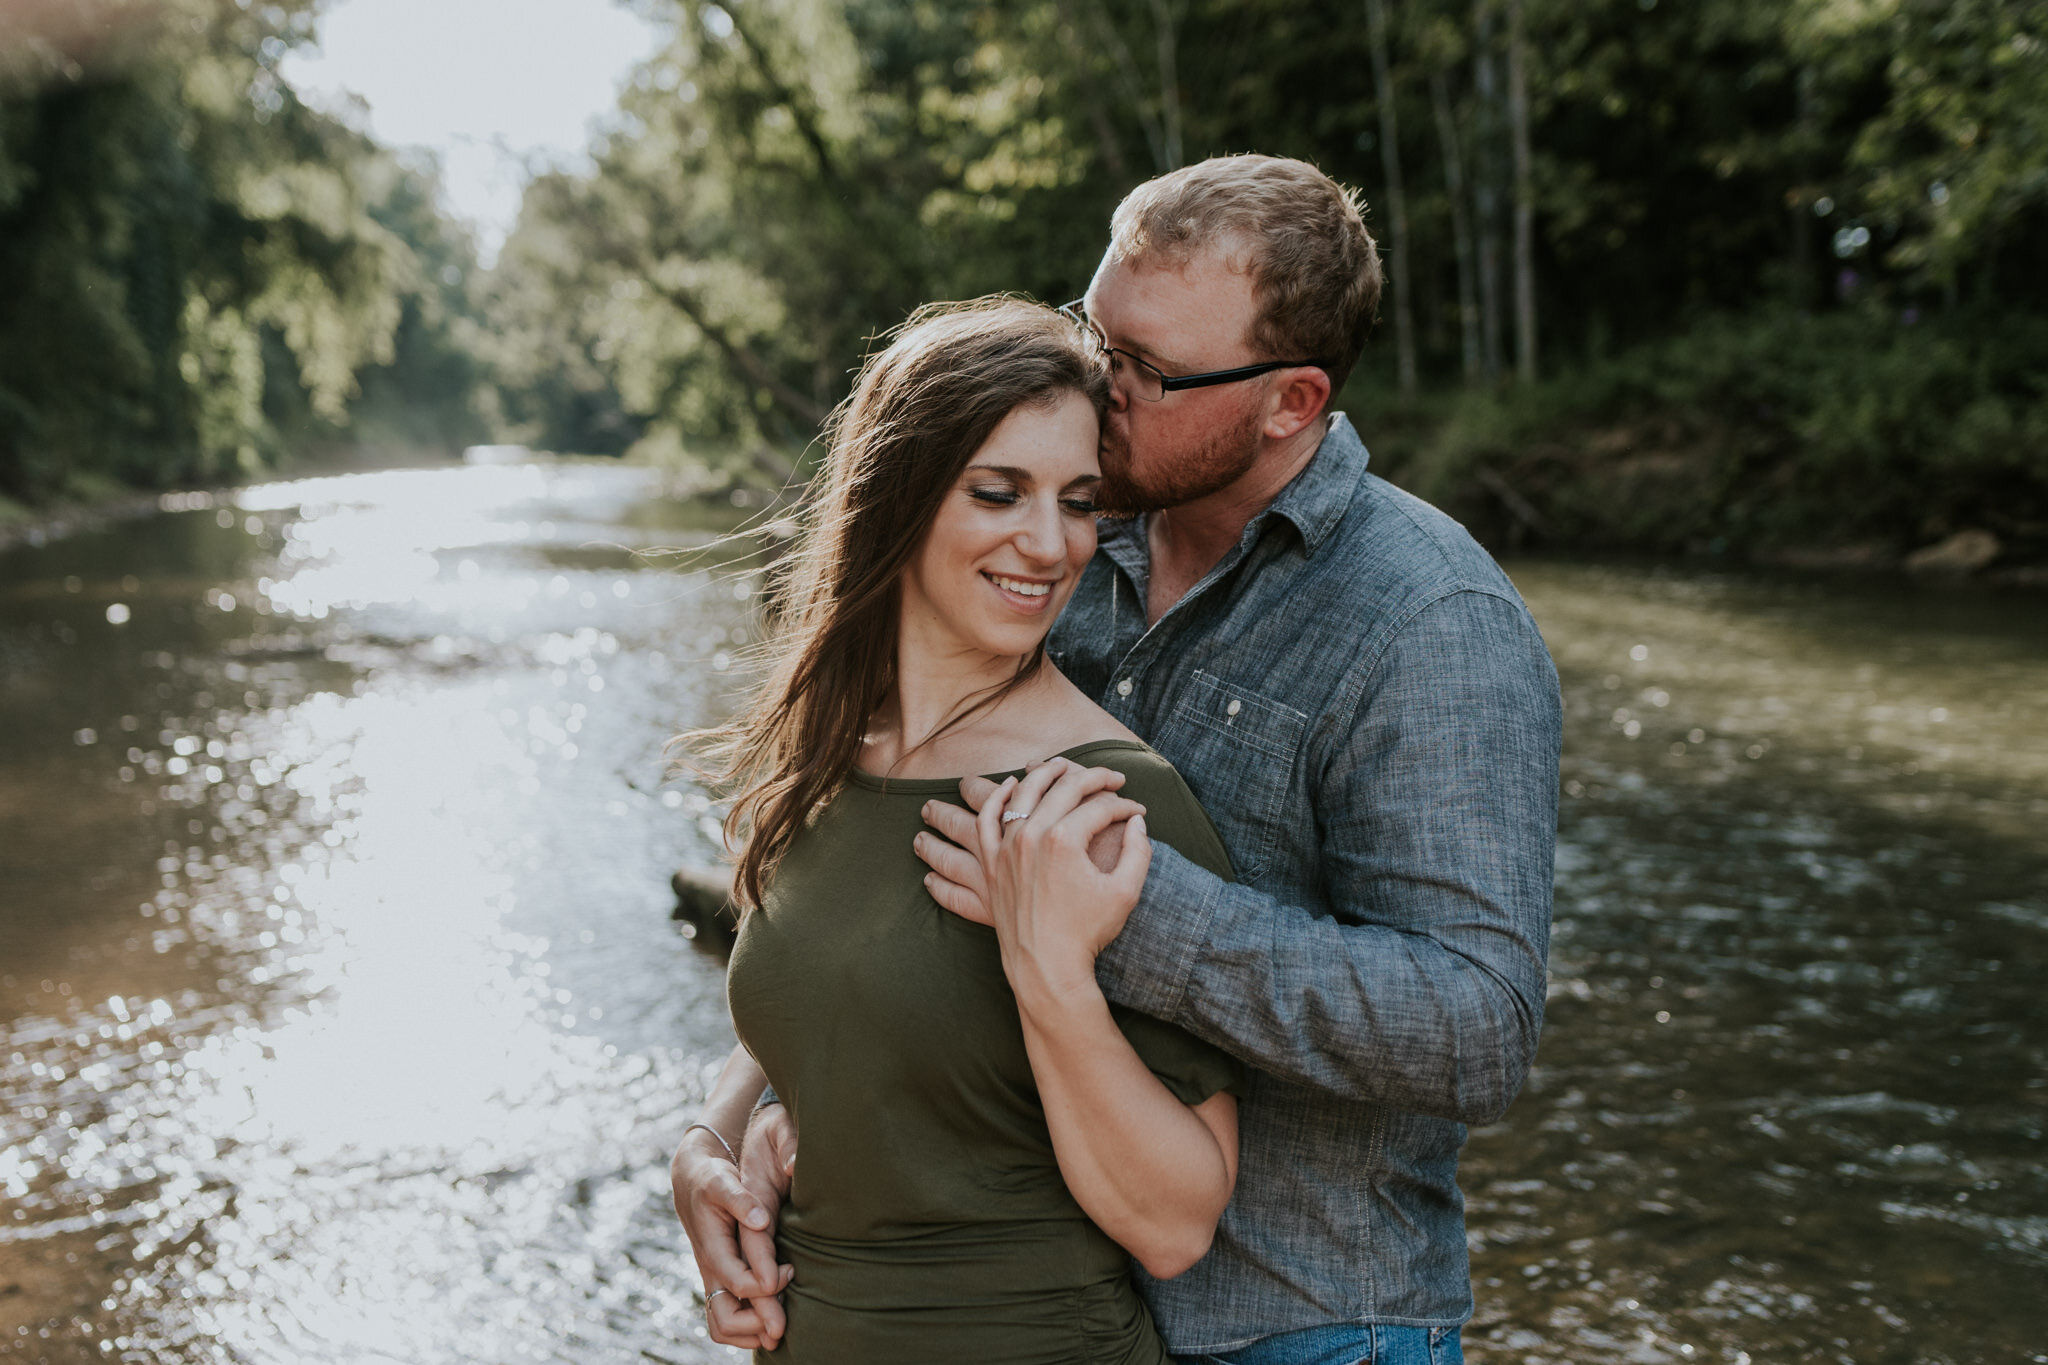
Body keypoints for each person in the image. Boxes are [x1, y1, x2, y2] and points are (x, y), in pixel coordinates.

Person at [678, 154, 1563, 1364]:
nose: (1102, 387)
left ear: (1290, 402)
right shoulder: (1059, 547)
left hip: (1298, 1320)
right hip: (1045, 1288)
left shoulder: (1428, 619)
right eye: (1098, 337)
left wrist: (1128, 910)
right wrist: (733, 1127)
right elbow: (883, 937)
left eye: (1146, 372)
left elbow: (1474, 1027)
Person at [678, 296, 1249, 1364]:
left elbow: (1177, 1223)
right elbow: (828, 1011)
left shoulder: (1100, 797)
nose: (1048, 544)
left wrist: (1049, 974)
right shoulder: (823, 754)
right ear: (893, 496)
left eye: (1078, 502)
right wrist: (707, 1145)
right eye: (998, 492)